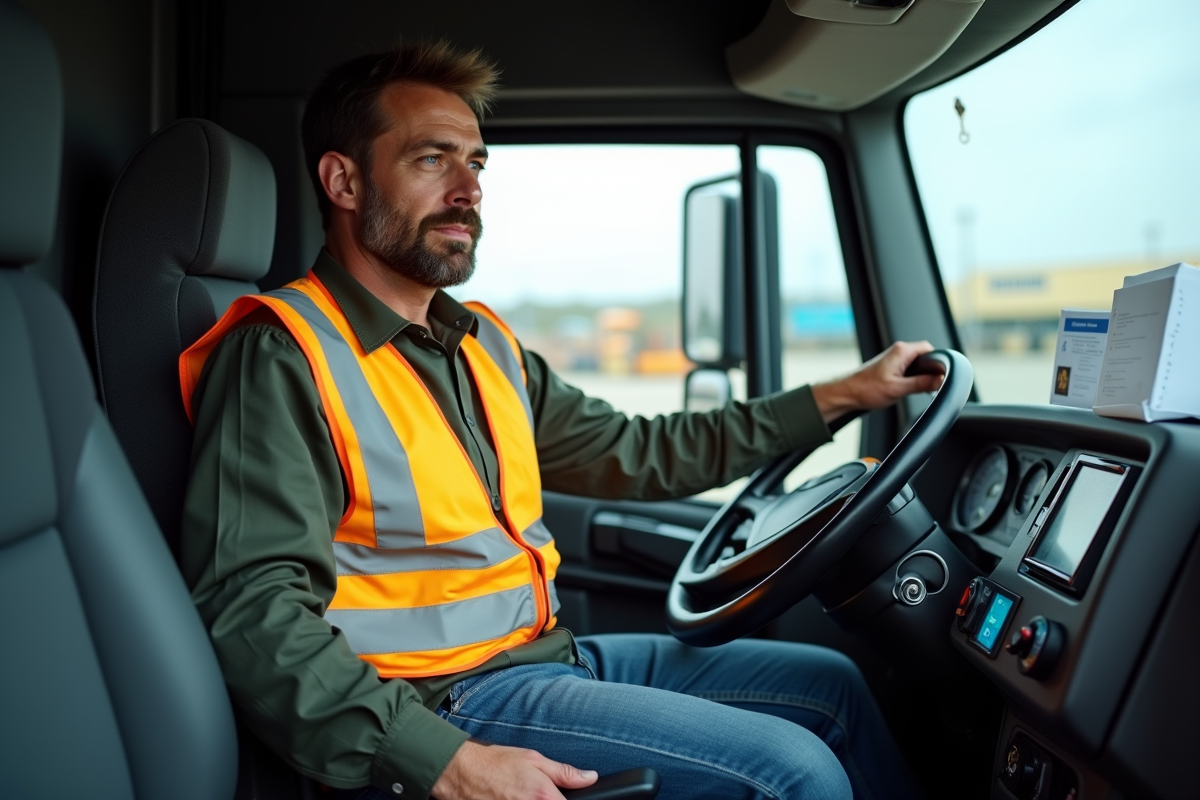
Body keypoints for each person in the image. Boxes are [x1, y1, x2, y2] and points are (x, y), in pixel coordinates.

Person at [179, 41, 936, 800]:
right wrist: (441, 759)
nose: (468, 190)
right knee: (791, 770)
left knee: (830, 685)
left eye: (475, 164)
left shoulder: (482, 345)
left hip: (541, 660)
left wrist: (849, 394)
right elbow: (255, 609)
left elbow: (641, 452)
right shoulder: (281, 354)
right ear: (344, 180)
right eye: (431, 160)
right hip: (439, 703)